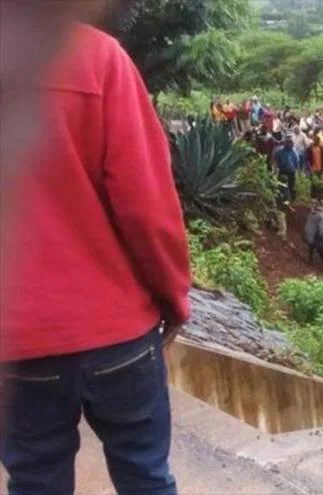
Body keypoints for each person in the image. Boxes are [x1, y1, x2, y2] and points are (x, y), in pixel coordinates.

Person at [0, 23, 191, 495]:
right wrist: (173, 298)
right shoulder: (98, 58)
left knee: (34, 481)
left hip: (16, 342)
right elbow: (147, 207)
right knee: (145, 476)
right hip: (118, 333)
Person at [304, 201, 323, 265]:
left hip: (308, 233)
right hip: (315, 234)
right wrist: (322, 237)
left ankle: (310, 258)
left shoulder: (311, 213)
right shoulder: (322, 216)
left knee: (311, 245)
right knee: (322, 247)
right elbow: (322, 228)